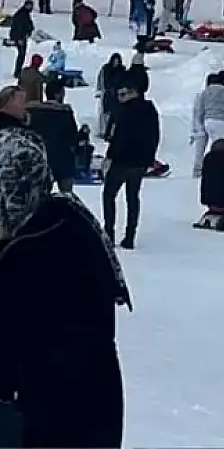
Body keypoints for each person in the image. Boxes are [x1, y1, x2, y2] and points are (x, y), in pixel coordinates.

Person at [0, 128, 130, 447]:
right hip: (77, 414)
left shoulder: (41, 248)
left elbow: (22, 347)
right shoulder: (61, 221)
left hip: (56, 421)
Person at [102, 73, 160, 249]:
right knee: (132, 197)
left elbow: (119, 137)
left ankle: (109, 232)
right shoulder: (150, 110)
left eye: (122, 94)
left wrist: (109, 156)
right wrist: (149, 158)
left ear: (133, 92)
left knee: (109, 195)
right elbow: (155, 136)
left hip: (122, 160)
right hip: (140, 162)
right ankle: (130, 236)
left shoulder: (125, 112)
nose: (119, 98)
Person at [27, 77, 79, 194]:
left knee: (39, 196)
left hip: (40, 161)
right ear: (58, 94)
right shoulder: (64, 113)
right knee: (66, 195)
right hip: (63, 161)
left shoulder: (33, 112)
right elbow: (72, 138)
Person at [190, 72, 224, 177]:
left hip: (208, 121)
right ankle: (219, 169)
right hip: (222, 121)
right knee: (221, 147)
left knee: (205, 147)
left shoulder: (205, 92)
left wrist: (199, 123)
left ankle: (198, 170)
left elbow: (200, 108)